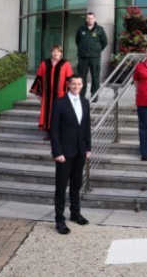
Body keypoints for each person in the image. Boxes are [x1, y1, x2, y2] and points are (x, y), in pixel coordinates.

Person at [50, 74, 92, 235]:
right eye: (73, 84)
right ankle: (59, 219)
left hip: (80, 151)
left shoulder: (85, 102)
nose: (76, 86)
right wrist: (57, 151)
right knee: (61, 187)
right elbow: (54, 130)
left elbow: (86, 126)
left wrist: (88, 147)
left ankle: (75, 213)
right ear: (68, 85)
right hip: (64, 153)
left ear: (82, 85)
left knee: (76, 185)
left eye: (79, 84)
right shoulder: (59, 103)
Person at [30, 44, 74, 140]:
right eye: (53, 51)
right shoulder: (44, 64)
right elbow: (39, 78)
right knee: (48, 112)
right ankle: (50, 133)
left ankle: (59, 133)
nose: (55, 53)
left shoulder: (65, 64)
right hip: (47, 95)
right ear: (51, 52)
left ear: (61, 53)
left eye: (58, 51)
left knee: (60, 113)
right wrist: (38, 93)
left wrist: (69, 93)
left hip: (61, 94)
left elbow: (70, 79)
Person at [75, 11, 108, 98]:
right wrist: (83, 49)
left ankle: (94, 95)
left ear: (94, 19)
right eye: (88, 18)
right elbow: (77, 41)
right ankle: (81, 95)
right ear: (86, 19)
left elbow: (105, 42)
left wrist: (97, 50)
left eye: (91, 18)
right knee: (81, 77)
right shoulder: (81, 29)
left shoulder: (100, 29)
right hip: (83, 57)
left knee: (95, 77)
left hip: (95, 58)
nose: (90, 20)